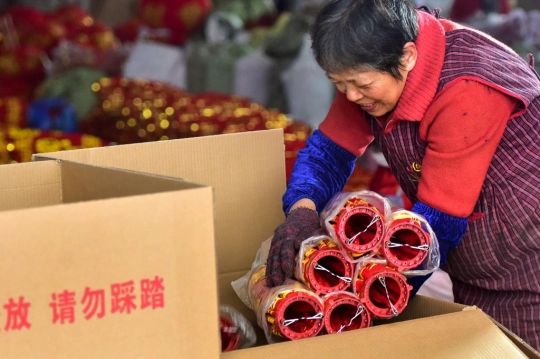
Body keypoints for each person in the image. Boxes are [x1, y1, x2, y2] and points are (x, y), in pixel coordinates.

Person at [265, 0, 540, 350]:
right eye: (339, 83)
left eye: (361, 83)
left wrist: (369, 296)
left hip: (526, 261)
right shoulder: (370, 68)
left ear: (408, 56)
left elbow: (439, 220)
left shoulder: (469, 87)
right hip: (477, 261)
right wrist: (301, 211)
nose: (350, 95)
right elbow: (328, 152)